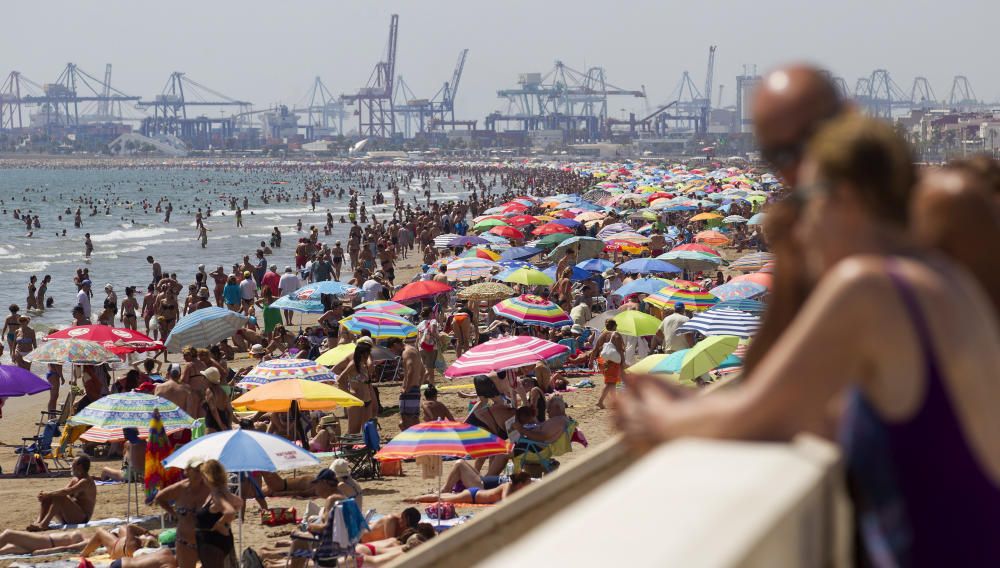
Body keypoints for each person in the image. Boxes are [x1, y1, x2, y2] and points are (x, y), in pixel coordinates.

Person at [615, 114, 1000, 567]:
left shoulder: (869, 286)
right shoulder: (940, 281)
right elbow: (812, 411)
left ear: (846, 199)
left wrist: (658, 415)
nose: (801, 225)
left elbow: (757, 411)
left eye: (806, 202)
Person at [154, 460, 211, 568]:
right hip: (185, 542)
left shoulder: (209, 488)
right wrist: (174, 513)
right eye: (196, 470)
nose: (199, 473)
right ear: (187, 471)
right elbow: (159, 498)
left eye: (201, 470)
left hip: (207, 542)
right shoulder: (180, 488)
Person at [28, 456, 96, 531]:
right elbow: (63, 490)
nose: (70, 465)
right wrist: (45, 496)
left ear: (79, 466)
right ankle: (39, 521)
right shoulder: (75, 479)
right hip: (69, 516)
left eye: (72, 463)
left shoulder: (86, 481)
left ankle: (44, 524)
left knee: (59, 496)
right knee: (50, 496)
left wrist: (48, 494)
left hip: (82, 518)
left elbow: (67, 492)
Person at [194, 459, 240, 568]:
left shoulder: (217, 494)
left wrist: (220, 523)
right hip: (217, 541)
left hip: (212, 543)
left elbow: (230, 511)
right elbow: (239, 503)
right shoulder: (221, 491)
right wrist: (226, 523)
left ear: (207, 476)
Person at [408, 471, 531, 504]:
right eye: (528, 483)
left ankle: (415, 498)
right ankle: (415, 499)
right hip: (473, 496)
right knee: (442, 499)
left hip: (475, 494)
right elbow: (506, 502)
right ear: (520, 484)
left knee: (444, 497)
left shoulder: (514, 488)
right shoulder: (508, 486)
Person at [590, 319, 624, 409]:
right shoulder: (616, 335)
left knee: (611, 382)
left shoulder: (603, 335)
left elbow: (595, 349)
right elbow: (620, 350)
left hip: (602, 361)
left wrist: (590, 361)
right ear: (614, 326)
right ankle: (600, 401)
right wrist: (623, 363)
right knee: (610, 383)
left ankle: (614, 402)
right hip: (612, 362)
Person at [395, 337, 424, 430]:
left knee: (405, 421)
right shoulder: (414, 350)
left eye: (393, 350)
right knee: (415, 419)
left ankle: (408, 442)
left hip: (409, 389)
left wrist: (406, 388)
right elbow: (423, 371)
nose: (394, 353)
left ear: (395, 345)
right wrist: (419, 385)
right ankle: (418, 441)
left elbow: (411, 371)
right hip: (415, 388)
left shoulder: (406, 352)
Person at [415, 307, 439, 383]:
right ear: (431, 313)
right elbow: (432, 331)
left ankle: (431, 385)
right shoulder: (433, 321)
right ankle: (417, 384)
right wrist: (440, 337)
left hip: (421, 347)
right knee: (430, 369)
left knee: (427, 368)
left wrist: (417, 347)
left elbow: (418, 338)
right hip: (430, 347)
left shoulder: (420, 324)